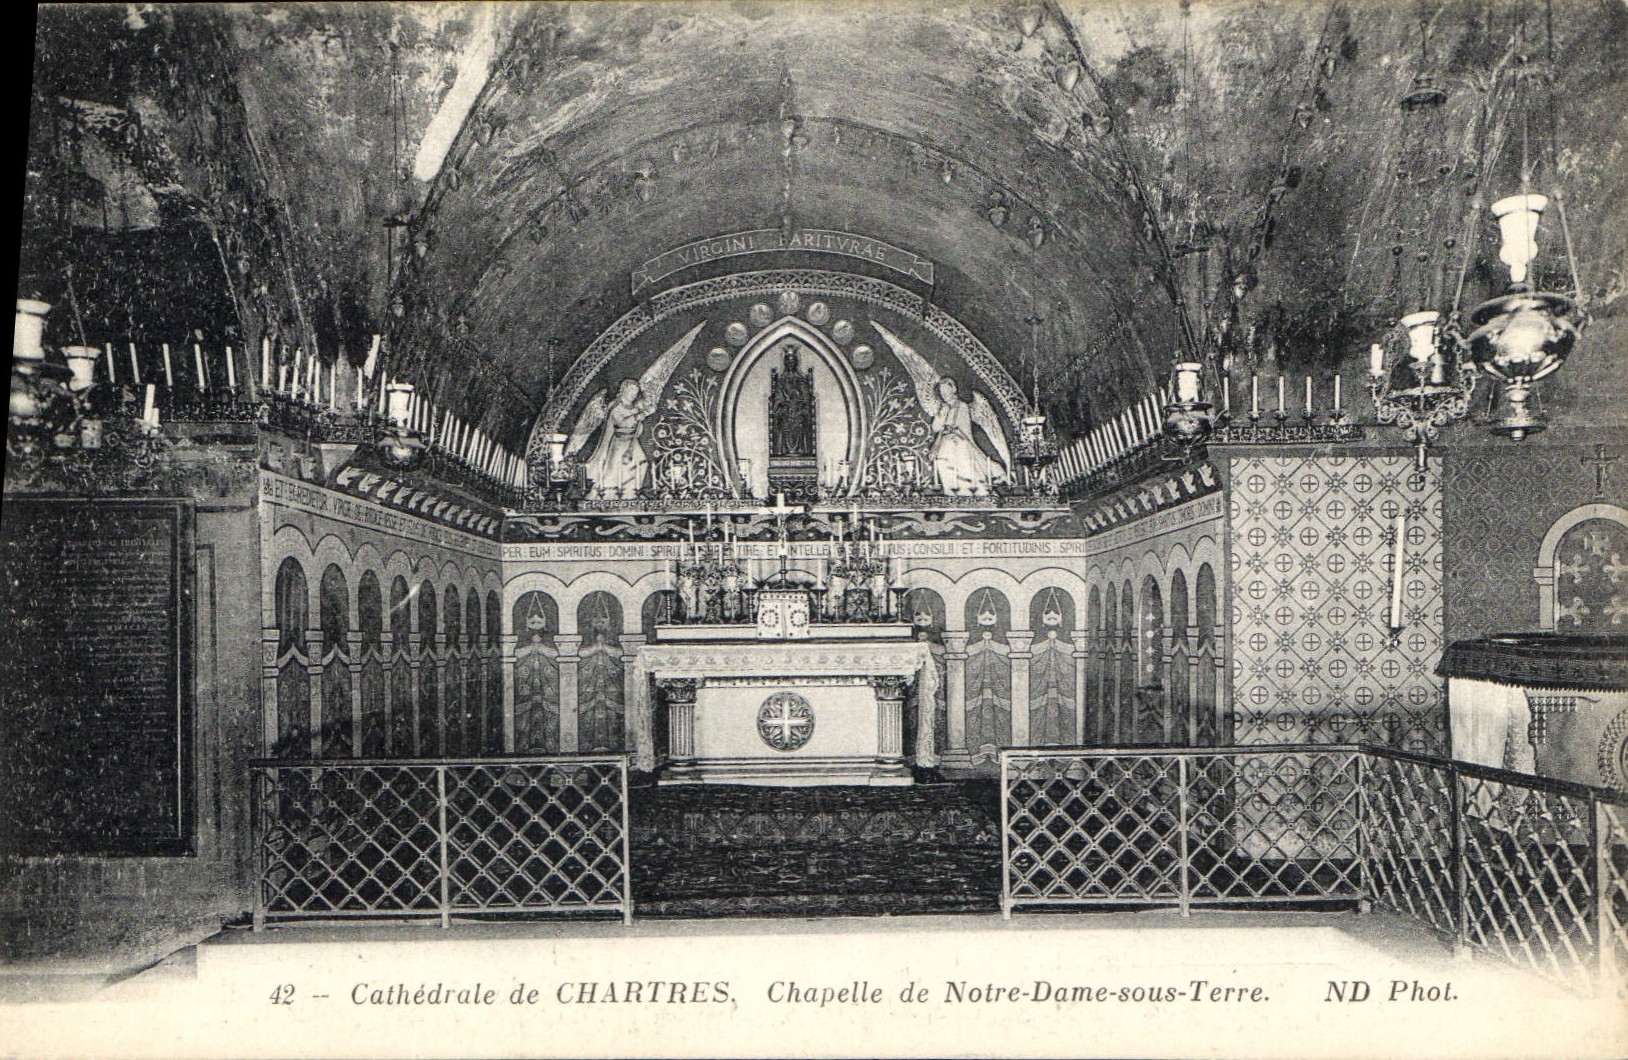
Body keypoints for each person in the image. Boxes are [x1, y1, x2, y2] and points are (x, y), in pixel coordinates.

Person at [929, 378, 1007, 496]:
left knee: (964, 463)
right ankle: (951, 492)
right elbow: (936, 428)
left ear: (953, 390)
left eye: (946, 391)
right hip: (945, 441)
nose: (944, 394)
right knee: (942, 461)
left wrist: (953, 430)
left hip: (960, 441)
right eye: (941, 392)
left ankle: (974, 491)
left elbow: (963, 427)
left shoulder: (962, 406)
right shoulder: (943, 408)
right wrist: (941, 414)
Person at [585, 379, 657, 498]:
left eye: (636, 391)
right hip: (619, 442)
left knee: (641, 462)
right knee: (617, 468)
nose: (634, 394)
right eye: (631, 390)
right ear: (624, 390)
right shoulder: (616, 406)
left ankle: (632, 493)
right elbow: (620, 422)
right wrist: (637, 417)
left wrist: (639, 421)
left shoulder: (634, 408)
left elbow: (637, 427)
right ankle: (610, 495)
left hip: (632, 442)